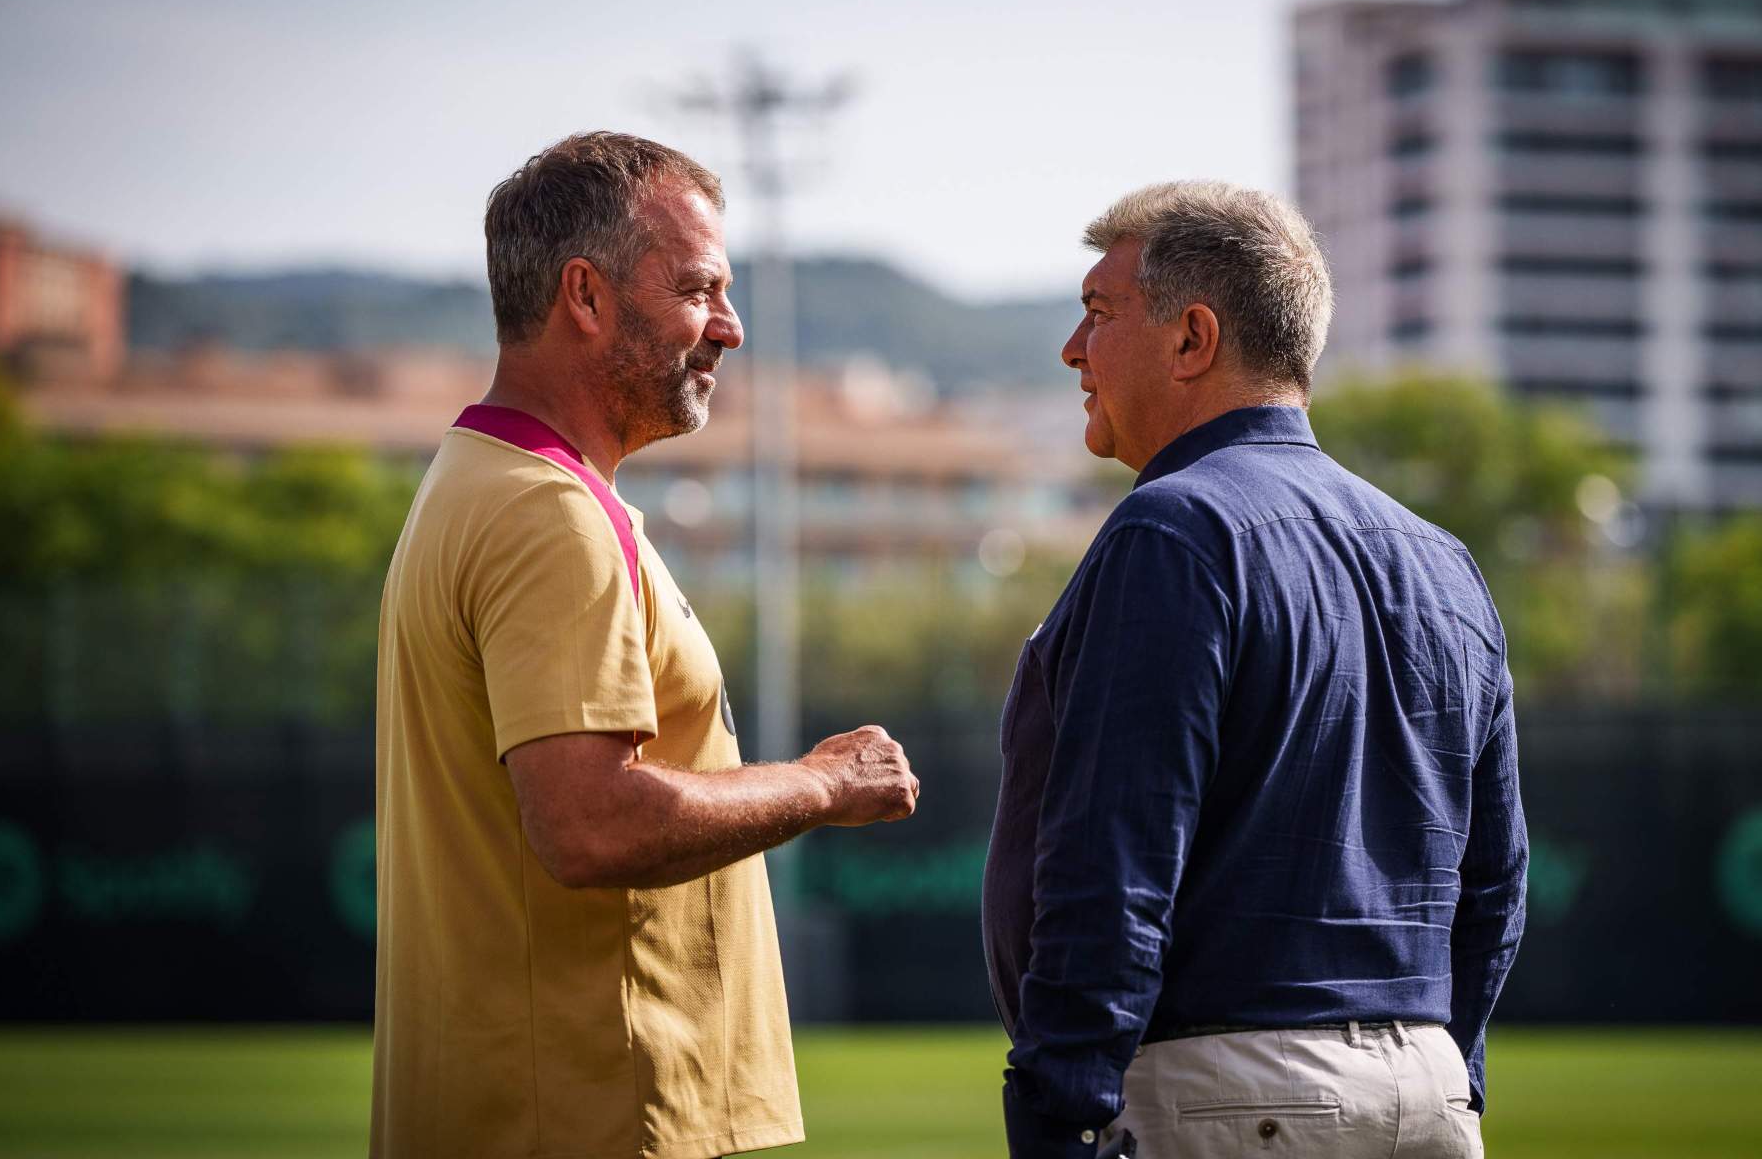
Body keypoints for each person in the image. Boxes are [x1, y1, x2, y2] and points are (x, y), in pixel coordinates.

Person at [370, 132, 919, 1159]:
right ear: (585, 295)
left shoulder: (482, 479)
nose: (730, 328)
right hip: (591, 1112)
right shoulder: (547, 515)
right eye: (699, 289)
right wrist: (823, 785)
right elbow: (589, 824)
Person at [983, 181, 1526, 1158]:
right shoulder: (1445, 561)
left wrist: (1058, 1102)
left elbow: (1114, 859)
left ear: (1191, 339)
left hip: (1232, 1100)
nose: (1072, 348)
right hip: (1426, 1093)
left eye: (1098, 314)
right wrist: (1450, 1071)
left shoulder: (1171, 528)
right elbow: (1492, 879)